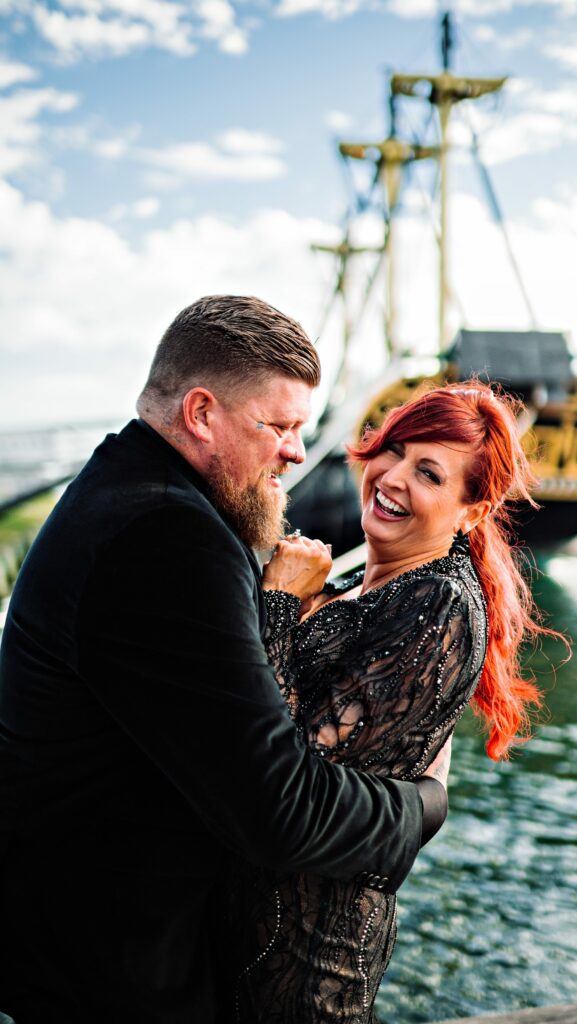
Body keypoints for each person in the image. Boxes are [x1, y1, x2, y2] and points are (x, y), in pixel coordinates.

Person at [0, 295, 449, 1024]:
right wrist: (422, 804)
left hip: (71, 955)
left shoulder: (126, 493)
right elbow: (279, 809)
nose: (299, 453)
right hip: (121, 982)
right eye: (278, 426)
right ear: (201, 412)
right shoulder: (168, 538)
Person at [229, 382, 555, 1022]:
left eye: (428, 472)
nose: (393, 477)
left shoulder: (436, 605)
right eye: (395, 451)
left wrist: (277, 603)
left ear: (470, 510)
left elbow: (287, 769)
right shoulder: (370, 581)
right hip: (251, 933)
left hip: (306, 961)